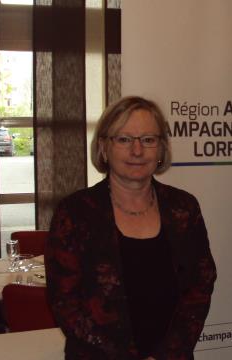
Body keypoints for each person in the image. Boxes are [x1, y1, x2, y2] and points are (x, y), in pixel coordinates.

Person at [45, 96, 217, 360]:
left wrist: (165, 355)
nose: (137, 151)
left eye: (148, 140)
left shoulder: (183, 207)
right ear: (104, 147)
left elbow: (200, 286)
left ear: (161, 149)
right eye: (124, 139)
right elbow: (65, 302)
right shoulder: (75, 213)